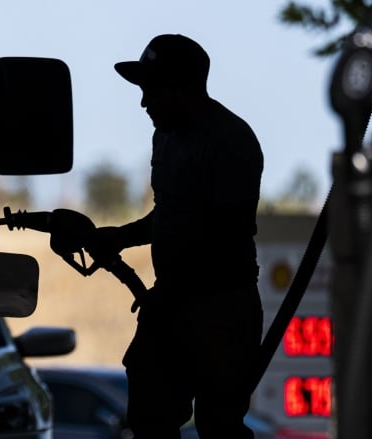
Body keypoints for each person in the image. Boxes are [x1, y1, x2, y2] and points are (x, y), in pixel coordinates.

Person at [85, 34, 264, 439]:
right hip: (171, 304)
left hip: (221, 312)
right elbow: (171, 214)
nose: (144, 103)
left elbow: (223, 231)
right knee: (149, 415)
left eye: (153, 90)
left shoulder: (231, 141)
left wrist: (171, 295)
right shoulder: (165, 136)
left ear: (184, 89)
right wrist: (121, 237)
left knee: (219, 425)